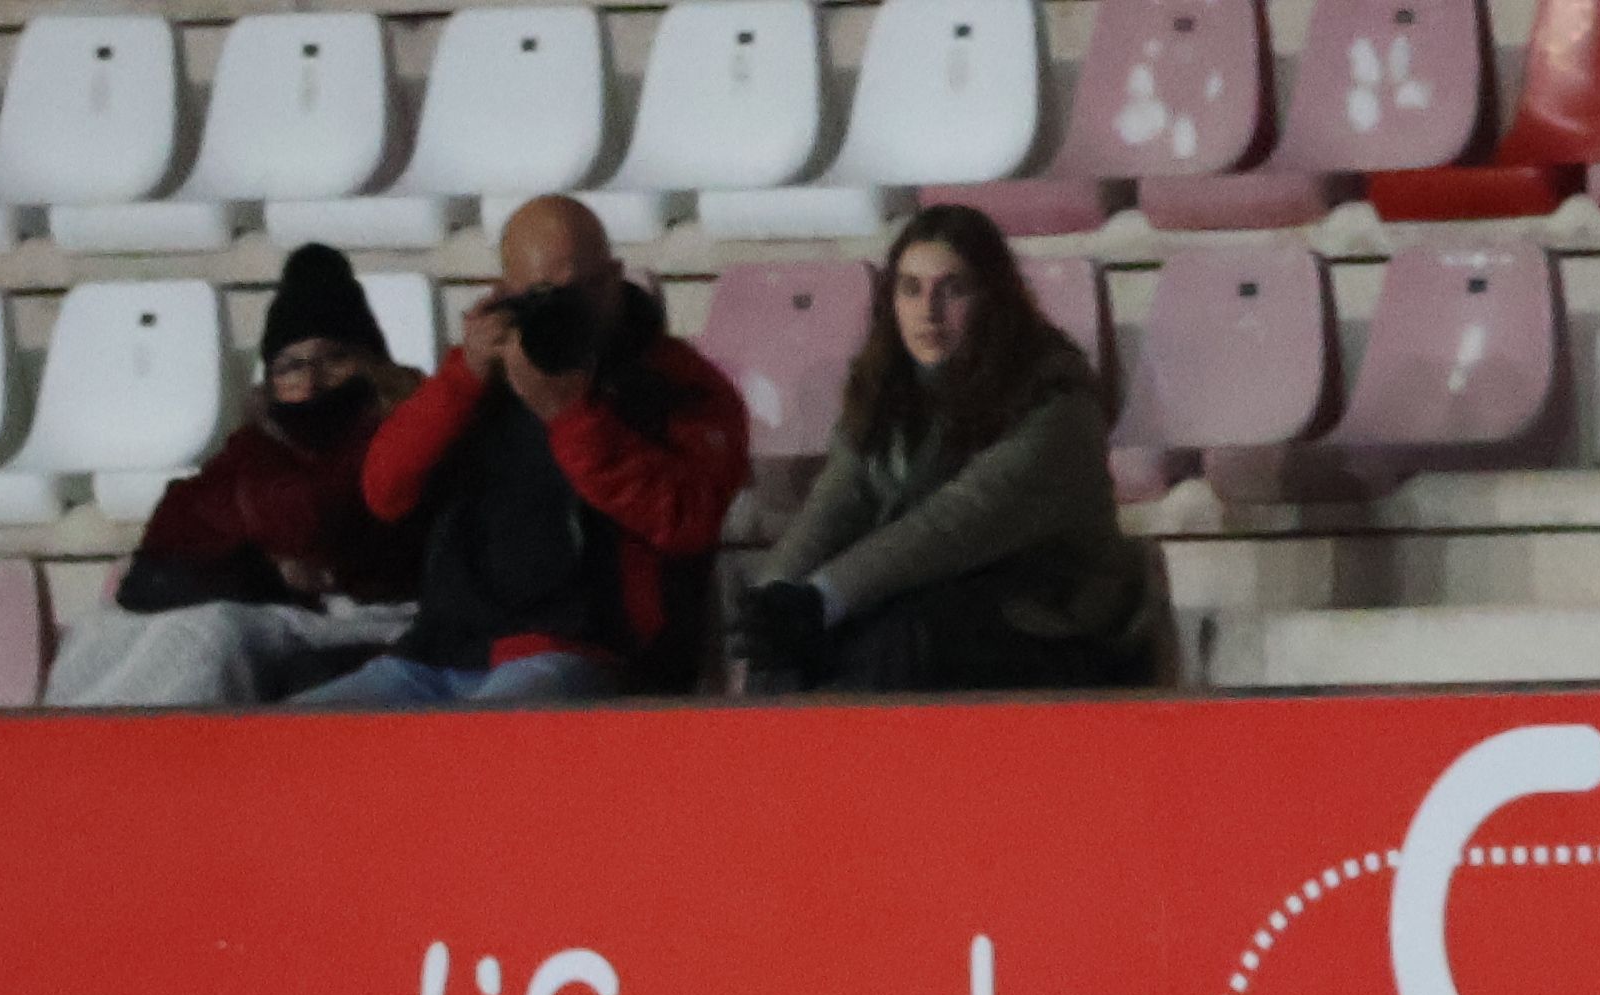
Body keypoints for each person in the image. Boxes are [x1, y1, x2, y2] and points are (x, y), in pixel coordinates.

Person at [292, 197, 749, 710]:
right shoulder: (480, 375)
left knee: (487, 741)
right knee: (291, 738)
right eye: (540, 295)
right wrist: (463, 379)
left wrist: (571, 417)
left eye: (582, 288)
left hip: (582, 652)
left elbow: (690, 519)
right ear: (505, 294)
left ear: (614, 277)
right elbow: (385, 492)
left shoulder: (679, 384)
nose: (564, 308)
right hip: (435, 653)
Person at [731, 204, 1171, 698]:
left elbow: (954, 525)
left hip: (1053, 626)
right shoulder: (884, 393)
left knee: (895, 639)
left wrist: (821, 598)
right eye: (910, 288)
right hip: (925, 606)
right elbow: (834, 507)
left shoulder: (1056, 403)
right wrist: (775, 597)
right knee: (782, 650)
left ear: (993, 298)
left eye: (953, 288)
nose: (928, 310)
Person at [43, 245, 421, 708]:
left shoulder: (406, 432)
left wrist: (279, 542)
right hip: (265, 604)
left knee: (202, 641)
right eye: (290, 366)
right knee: (107, 637)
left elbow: (336, 527)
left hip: (376, 613)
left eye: (334, 358)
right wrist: (273, 557)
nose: (311, 380)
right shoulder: (257, 444)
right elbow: (178, 525)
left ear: (370, 363)